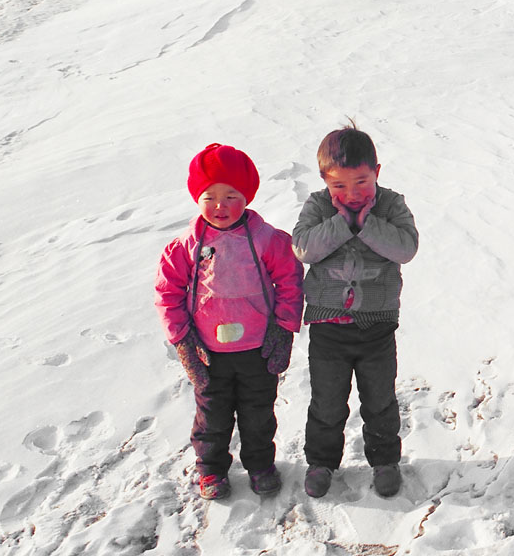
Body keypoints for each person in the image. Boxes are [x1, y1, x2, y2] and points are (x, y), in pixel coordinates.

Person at [155, 143, 304, 501]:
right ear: (197, 197)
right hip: (209, 352)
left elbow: (289, 281)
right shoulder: (185, 246)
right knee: (212, 416)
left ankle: (260, 465)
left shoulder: (268, 240)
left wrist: (283, 329)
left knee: (258, 413)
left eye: (231, 195)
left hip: (258, 349)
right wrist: (183, 342)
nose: (220, 206)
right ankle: (211, 469)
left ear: (248, 196)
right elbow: (168, 293)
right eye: (210, 196)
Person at [292, 124, 418, 499]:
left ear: (377, 171)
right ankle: (321, 462)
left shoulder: (391, 205)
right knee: (327, 401)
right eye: (339, 186)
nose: (351, 194)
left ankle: (384, 461)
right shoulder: (317, 206)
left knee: (380, 401)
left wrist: (365, 224)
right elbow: (303, 248)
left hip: (377, 328)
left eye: (361, 182)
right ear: (324, 182)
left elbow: (406, 248)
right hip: (328, 329)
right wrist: (342, 223)